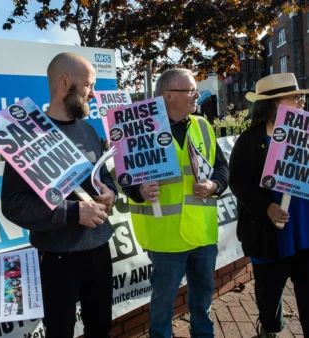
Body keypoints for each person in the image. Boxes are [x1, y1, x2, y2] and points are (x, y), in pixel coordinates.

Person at [1, 52, 117, 338]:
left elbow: (101, 175)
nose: (93, 92)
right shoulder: (25, 137)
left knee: (101, 328)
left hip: (99, 250)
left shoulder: (89, 131)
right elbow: (14, 205)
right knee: (60, 332)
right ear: (65, 82)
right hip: (57, 259)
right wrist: (74, 212)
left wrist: (109, 192)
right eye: (88, 85)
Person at [124, 68, 229, 338]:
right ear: (169, 95)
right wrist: (138, 189)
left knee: (203, 301)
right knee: (162, 306)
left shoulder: (203, 125)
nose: (197, 95)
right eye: (191, 90)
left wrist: (214, 185)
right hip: (165, 236)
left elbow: (221, 169)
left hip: (203, 233)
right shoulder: (139, 129)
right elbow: (121, 177)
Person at [229, 73, 309, 338]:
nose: (301, 103)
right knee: (269, 292)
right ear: (271, 104)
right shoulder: (249, 141)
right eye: (294, 98)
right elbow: (238, 182)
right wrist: (266, 207)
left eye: (301, 97)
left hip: (304, 230)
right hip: (268, 231)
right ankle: (270, 328)